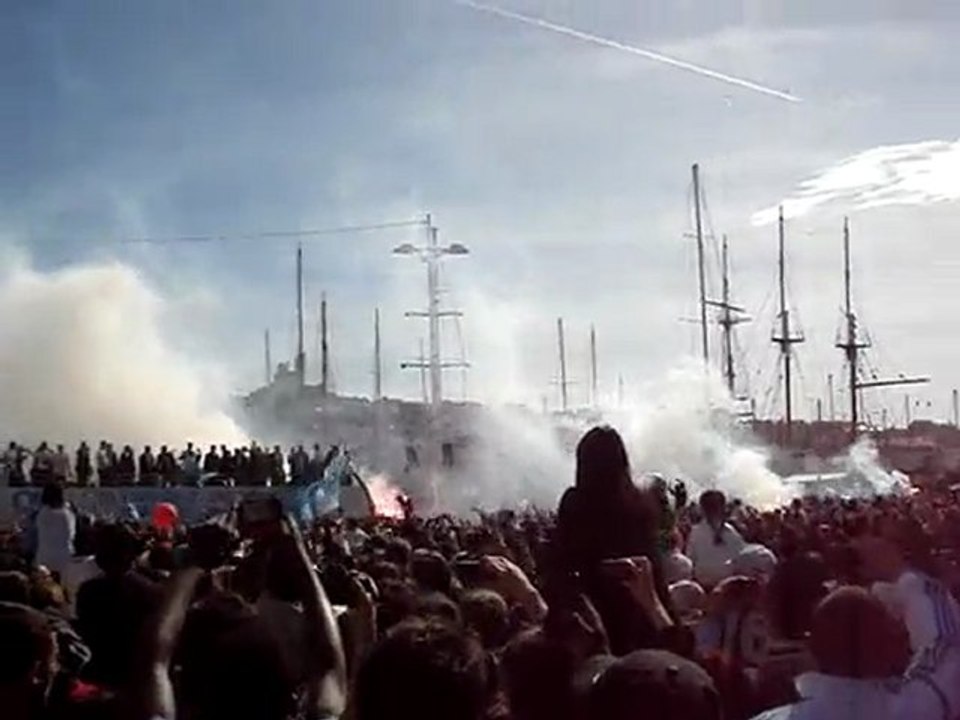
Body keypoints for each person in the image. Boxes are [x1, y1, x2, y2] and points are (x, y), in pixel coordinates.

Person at [555, 425, 675, 655]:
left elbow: (564, 558)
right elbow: (653, 564)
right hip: (639, 611)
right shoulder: (640, 505)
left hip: (591, 614)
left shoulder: (575, 503)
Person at [687, 490, 747, 589]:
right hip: (715, 587)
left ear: (702, 509)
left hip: (725, 588)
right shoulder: (732, 533)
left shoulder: (696, 532)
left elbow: (690, 560)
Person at [34, 484, 76, 581]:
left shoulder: (42, 513)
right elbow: (71, 534)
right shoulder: (66, 514)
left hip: (44, 555)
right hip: (64, 556)